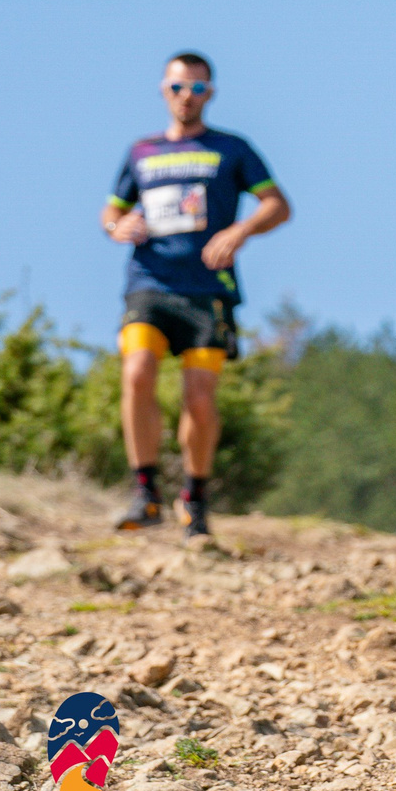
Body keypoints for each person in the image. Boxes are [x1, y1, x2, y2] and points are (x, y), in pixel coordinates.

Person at [99, 52, 290, 537]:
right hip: (149, 285)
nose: (188, 97)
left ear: (211, 93)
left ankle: (196, 498)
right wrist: (119, 226)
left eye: (198, 89)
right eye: (179, 87)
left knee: (199, 399)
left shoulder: (232, 149)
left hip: (209, 291)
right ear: (164, 89)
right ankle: (144, 491)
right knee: (137, 371)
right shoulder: (140, 152)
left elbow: (277, 204)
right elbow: (111, 212)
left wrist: (241, 231)